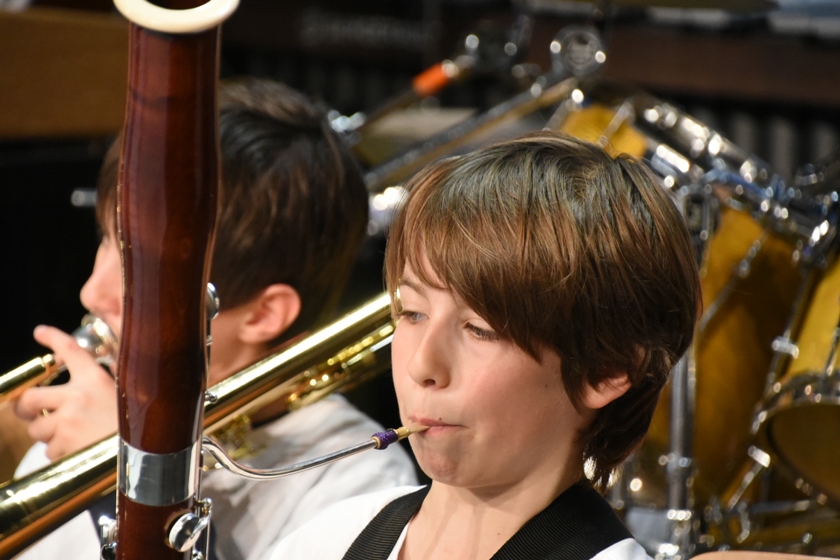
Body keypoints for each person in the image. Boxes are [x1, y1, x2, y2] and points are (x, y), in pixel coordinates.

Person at [12, 78, 417, 560]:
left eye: (139, 266)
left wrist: (127, 472)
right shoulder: (89, 417)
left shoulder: (359, 479)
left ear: (263, 314)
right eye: (105, 239)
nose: (92, 293)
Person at [268, 131, 701, 559]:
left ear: (605, 370)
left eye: (480, 329)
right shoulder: (330, 538)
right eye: (413, 312)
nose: (422, 365)